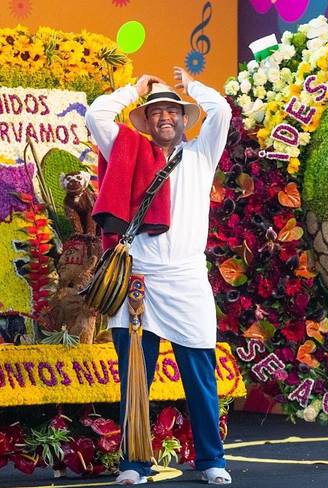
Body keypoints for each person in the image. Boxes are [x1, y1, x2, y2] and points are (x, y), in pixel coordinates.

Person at [86, 67, 232, 485]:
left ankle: (211, 460)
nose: (165, 117)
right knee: (136, 378)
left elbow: (220, 110)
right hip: (139, 281)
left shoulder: (202, 153)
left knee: (200, 376)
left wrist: (190, 87)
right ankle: (133, 464)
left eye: (173, 111)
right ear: (147, 121)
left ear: (185, 119)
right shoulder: (128, 150)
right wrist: (136, 88)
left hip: (186, 278)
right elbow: (97, 115)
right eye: (156, 112)